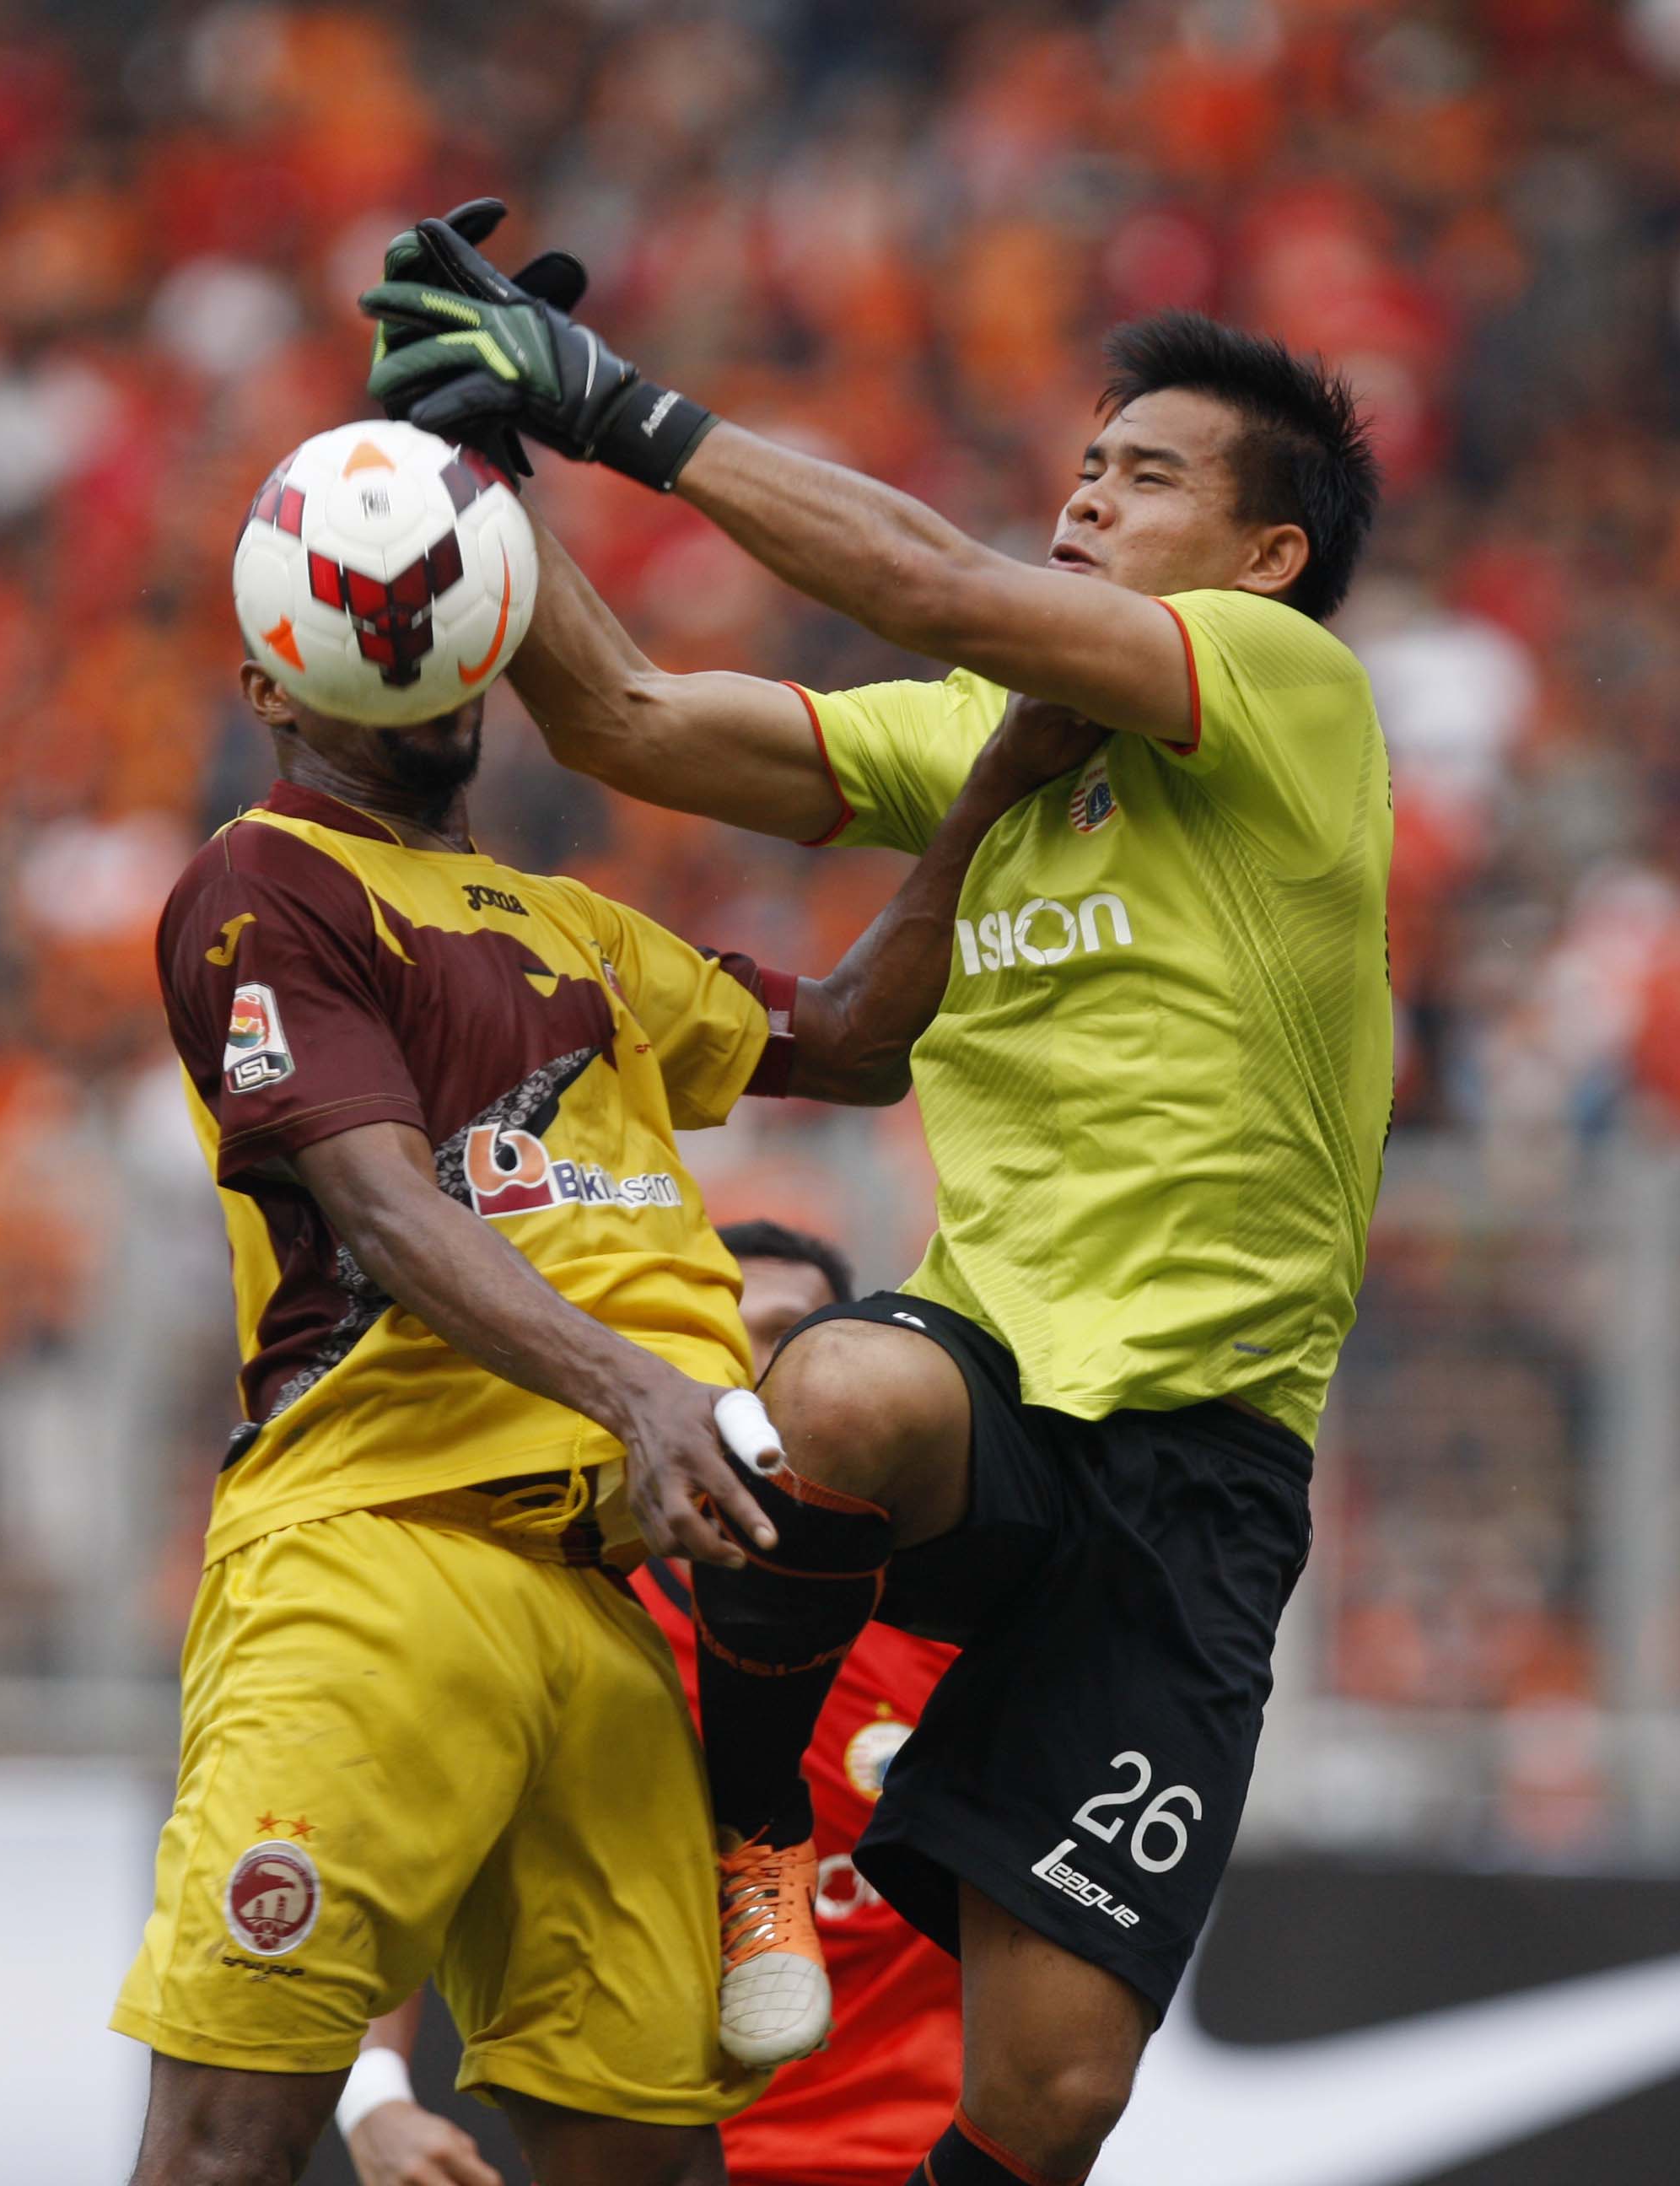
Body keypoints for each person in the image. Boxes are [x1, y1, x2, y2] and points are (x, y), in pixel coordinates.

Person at [367, 212, 1393, 2186]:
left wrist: (615, 409)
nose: (1085, 498)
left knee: (1049, 2101)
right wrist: (470, 477)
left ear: (1267, 559)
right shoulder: (981, 746)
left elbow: (933, 581)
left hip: (1198, 1475)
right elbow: (623, 718)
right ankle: (759, 1826)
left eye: (1146, 477)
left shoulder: (1289, 693)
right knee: (833, 1387)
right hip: (989, 1397)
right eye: (1084, 466)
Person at [112, 421, 1095, 2186]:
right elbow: (381, 1204)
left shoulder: (578, 929)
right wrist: (642, 1392)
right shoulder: (261, 886)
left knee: (642, 2155)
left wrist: (997, 786)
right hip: (381, 1552)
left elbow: (852, 1037)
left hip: (612, 1599)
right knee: (223, 2143)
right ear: (267, 684)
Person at [333, 1220, 967, 2186]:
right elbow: (408, 1851)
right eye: (712, 1338)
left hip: (917, 2156)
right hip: (670, 2155)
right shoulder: (572, 1614)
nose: (744, 1374)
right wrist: (374, 2095)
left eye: (786, 1336)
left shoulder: (943, 1631)